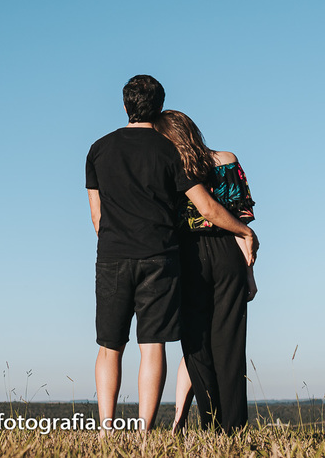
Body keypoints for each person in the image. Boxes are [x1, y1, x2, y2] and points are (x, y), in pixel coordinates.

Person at [85, 76, 258, 433]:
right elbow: (208, 207)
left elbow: (97, 218)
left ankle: (106, 430)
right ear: (160, 106)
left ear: (124, 105)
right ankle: (147, 432)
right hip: (165, 255)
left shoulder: (98, 149)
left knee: (112, 346)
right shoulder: (170, 153)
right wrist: (244, 233)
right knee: (156, 346)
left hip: (123, 254)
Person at [153, 109, 256, 433]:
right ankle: (234, 427)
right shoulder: (226, 159)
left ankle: (210, 425)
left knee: (196, 345)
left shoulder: (168, 168)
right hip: (228, 251)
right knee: (231, 343)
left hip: (187, 256)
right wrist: (250, 274)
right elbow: (241, 220)